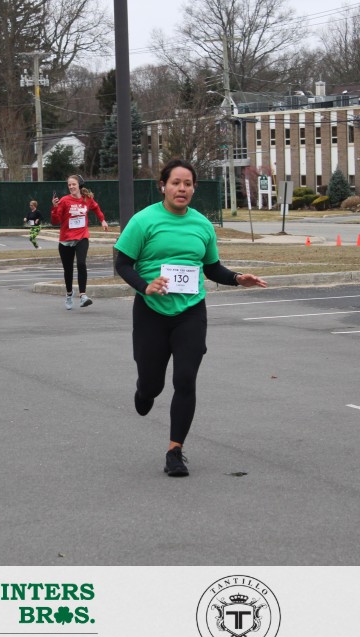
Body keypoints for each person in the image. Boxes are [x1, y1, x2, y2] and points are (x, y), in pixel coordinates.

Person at [114, 158, 268, 478]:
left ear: (194, 189)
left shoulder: (202, 225)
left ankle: (175, 451)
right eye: (175, 183)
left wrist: (237, 278)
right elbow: (123, 263)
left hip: (191, 312)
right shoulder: (144, 221)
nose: (181, 188)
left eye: (187, 184)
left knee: (185, 379)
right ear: (163, 186)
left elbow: (211, 268)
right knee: (152, 384)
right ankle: (144, 391)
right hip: (151, 312)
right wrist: (145, 286)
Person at [51, 175, 108, 309]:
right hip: (66, 240)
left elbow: (96, 208)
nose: (71, 187)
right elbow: (55, 221)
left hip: (82, 237)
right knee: (68, 269)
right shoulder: (64, 200)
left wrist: (102, 220)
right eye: (69, 185)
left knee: (81, 263)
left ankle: (83, 296)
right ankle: (69, 294)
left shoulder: (87, 199)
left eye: (73, 184)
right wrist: (54, 207)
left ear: (79, 185)